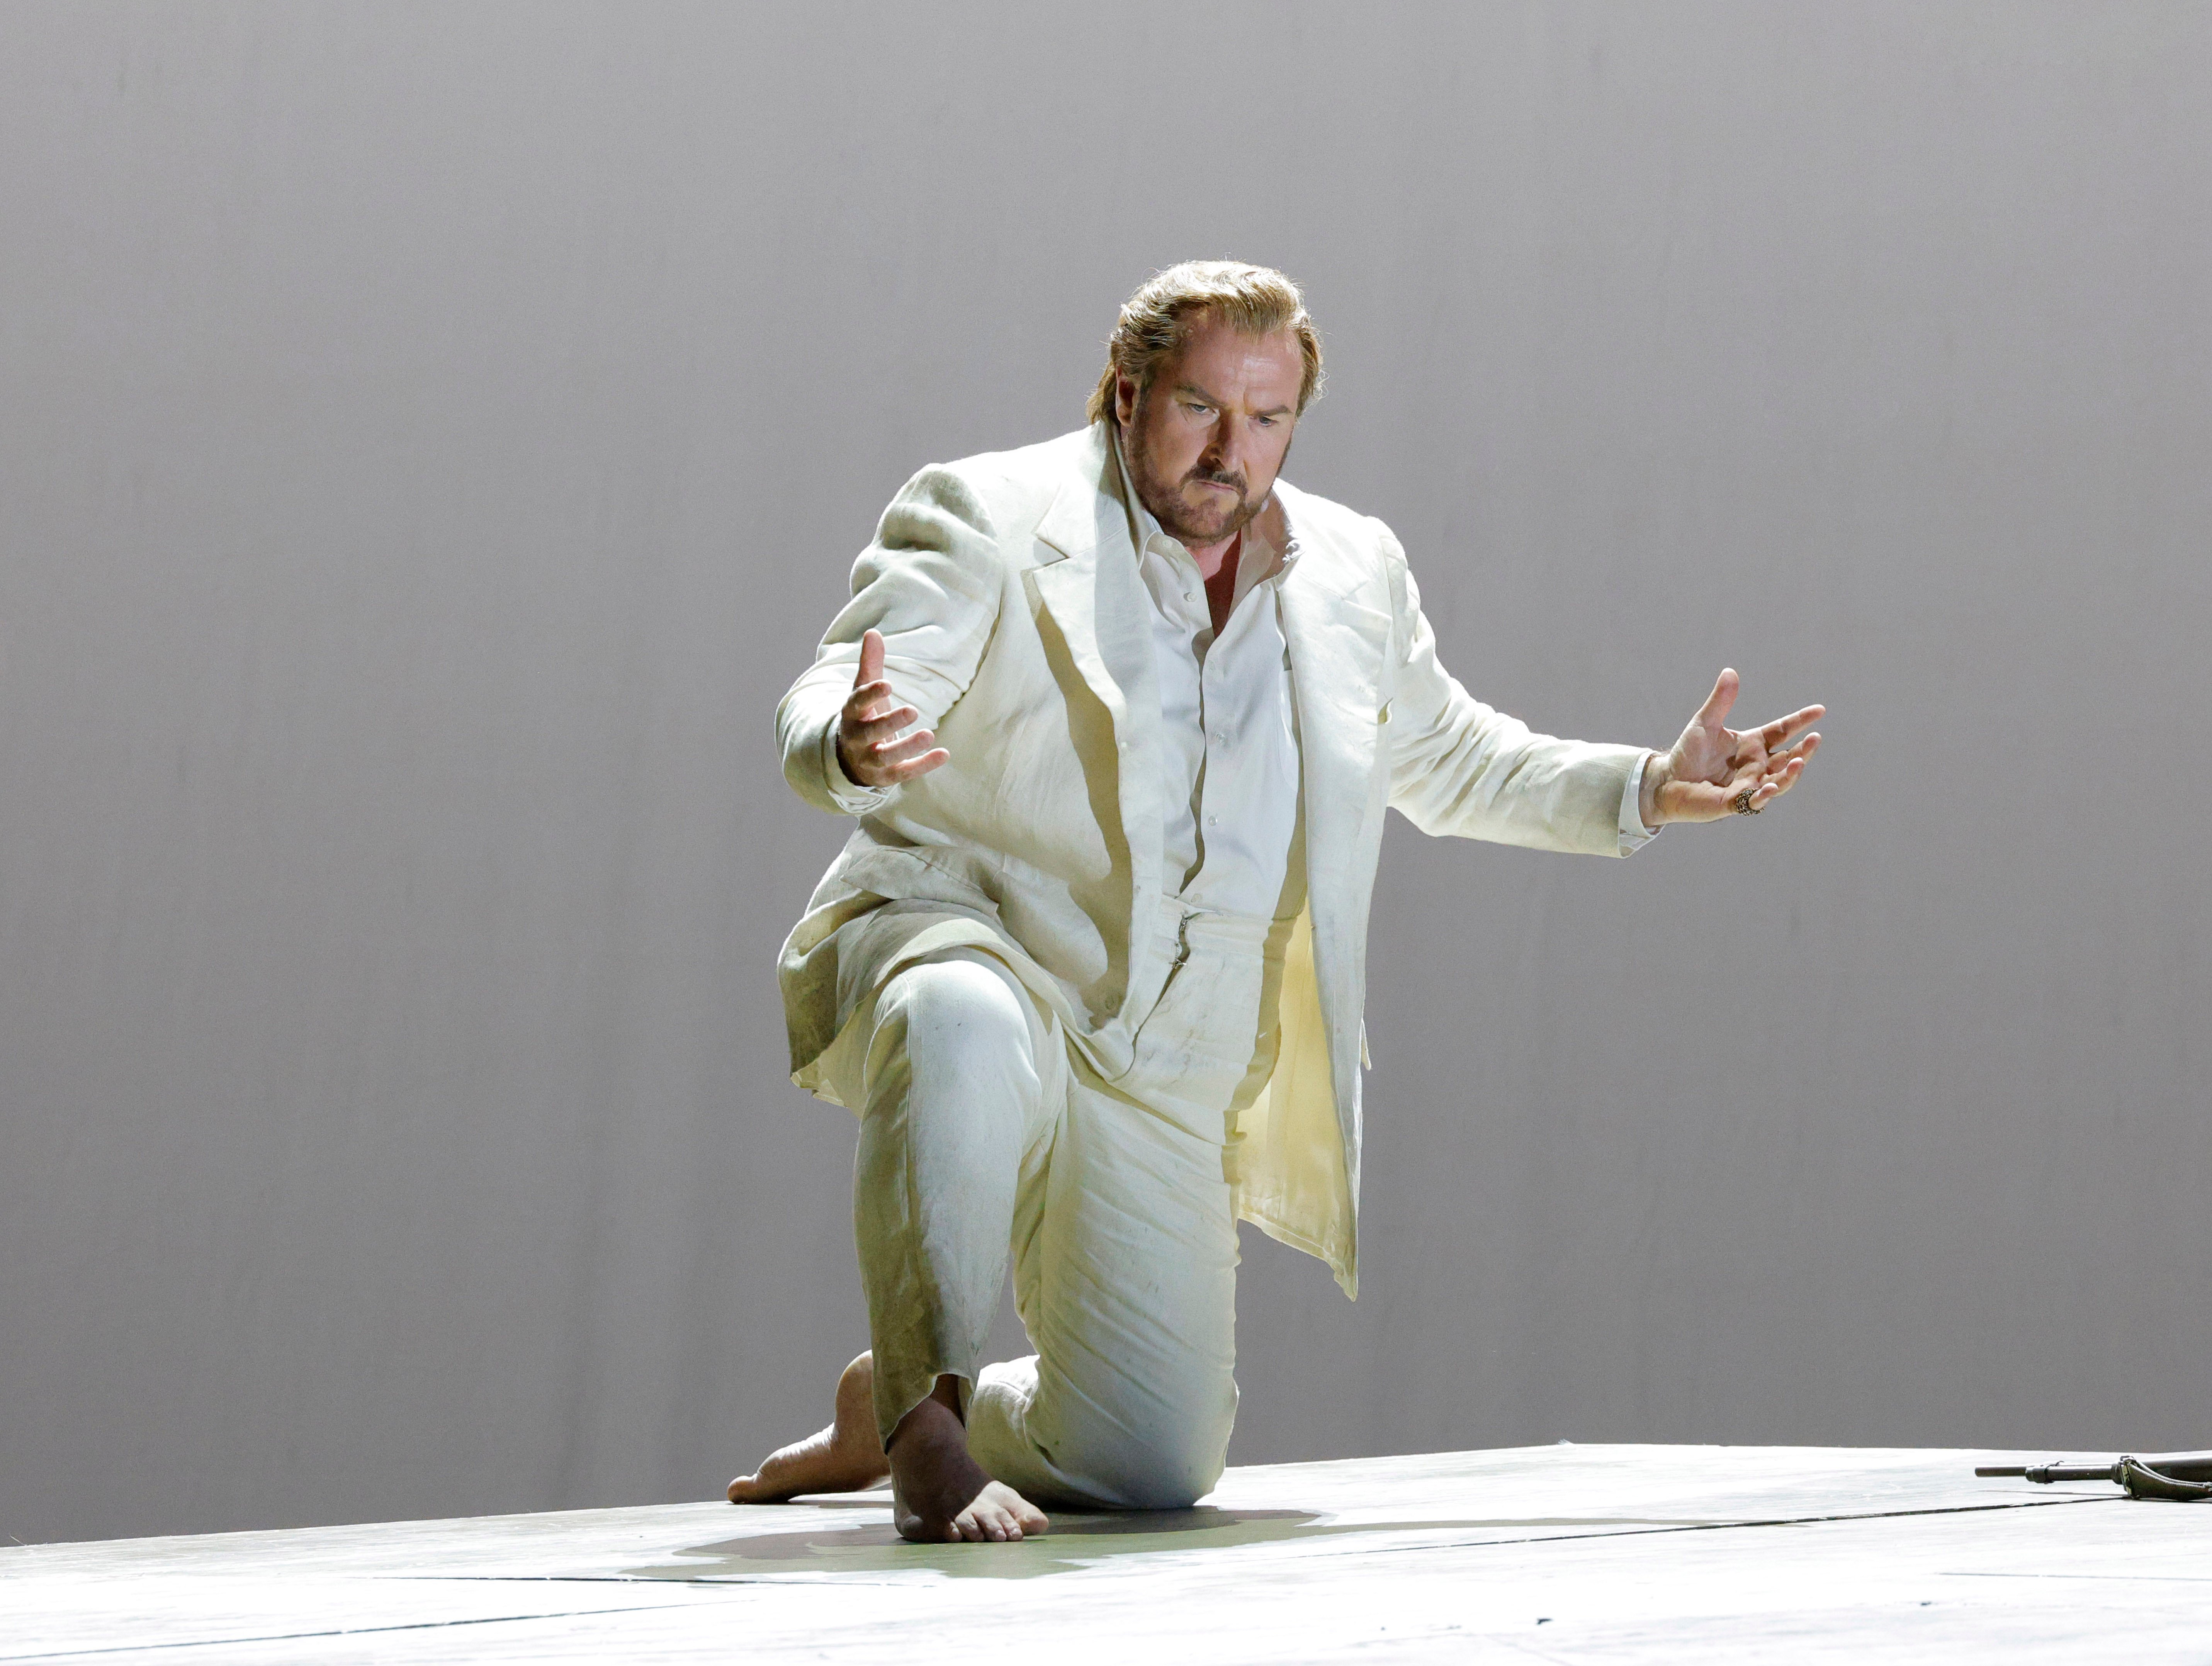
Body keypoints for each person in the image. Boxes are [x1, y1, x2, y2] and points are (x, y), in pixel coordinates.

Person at [729, 260, 1822, 1542]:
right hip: (986, 952)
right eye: (1199, 409)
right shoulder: (986, 509)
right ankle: (929, 1432)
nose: (1229, 452)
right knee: (958, 1015)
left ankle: (890, 1402)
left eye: (1268, 420)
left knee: (1148, 1460)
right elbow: (835, 687)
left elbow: (1453, 757)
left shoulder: (1353, 568)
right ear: (1127, 392)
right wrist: (850, 742)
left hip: (1168, 1060)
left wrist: (1647, 785)